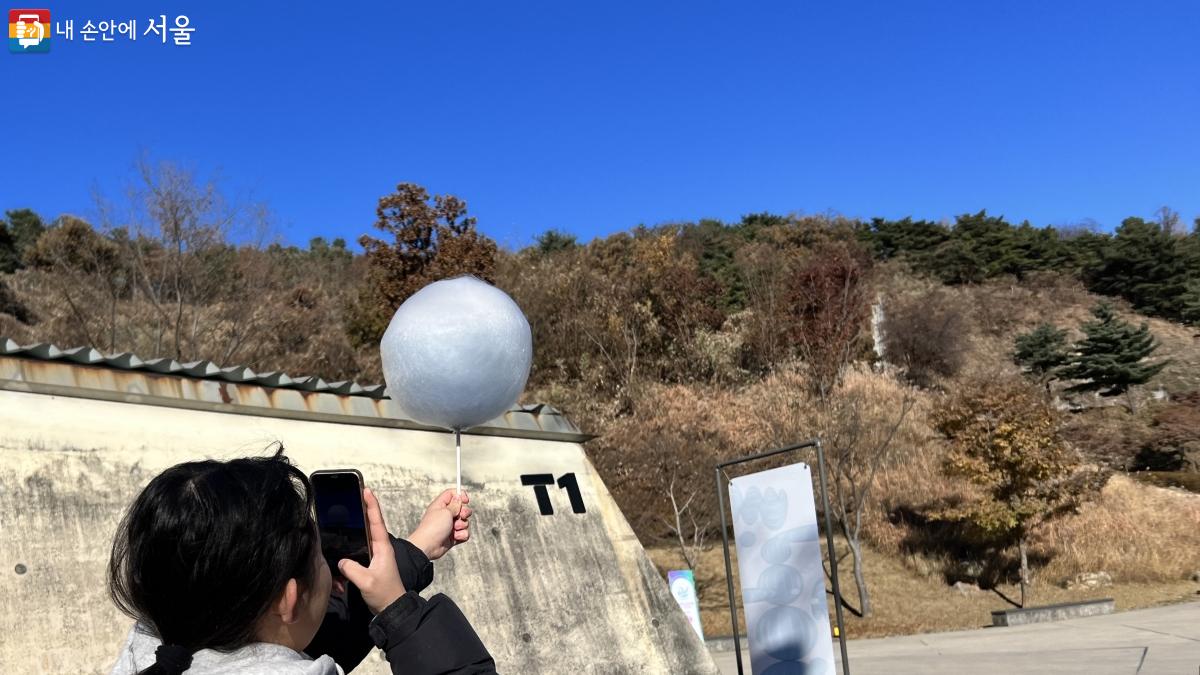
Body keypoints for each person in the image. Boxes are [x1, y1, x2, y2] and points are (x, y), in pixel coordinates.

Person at [107, 450, 497, 674]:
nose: (331, 567)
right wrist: (399, 611)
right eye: (322, 560)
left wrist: (415, 550)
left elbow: (279, 641)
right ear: (288, 599)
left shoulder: (153, 651)